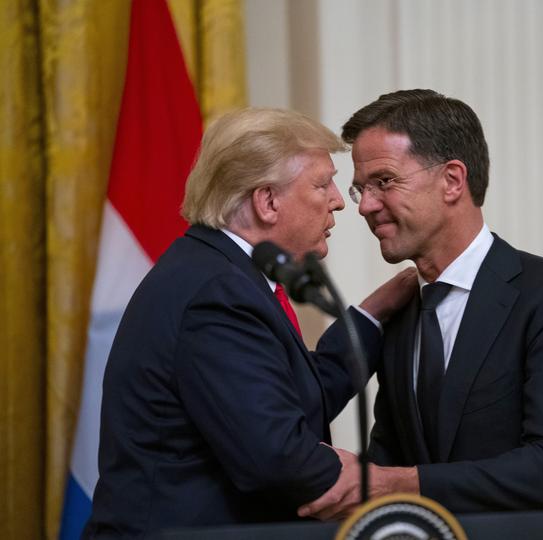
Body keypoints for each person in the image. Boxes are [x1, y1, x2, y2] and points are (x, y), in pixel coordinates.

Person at [298, 90, 543, 539]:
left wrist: (393, 483)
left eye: (384, 182)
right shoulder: (404, 315)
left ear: (453, 180)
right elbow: (390, 462)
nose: (365, 206)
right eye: (362, 188)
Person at [83, 107, 416, 538]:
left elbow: (286, 397)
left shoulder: (218, 272)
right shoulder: (216, 293)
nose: (338, 199)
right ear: (267, 201)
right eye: (322, 183)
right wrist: (385, 482)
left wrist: (371, 317)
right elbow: (277, 457)